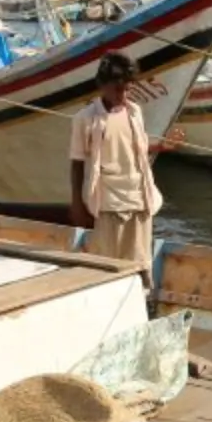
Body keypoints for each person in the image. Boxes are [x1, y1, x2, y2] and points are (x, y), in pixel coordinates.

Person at [67, 52, 162, 267]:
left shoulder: (135, 112)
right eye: (118, 89)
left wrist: (162, 146)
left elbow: (137, 149)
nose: (123, 95)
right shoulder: (85, 119)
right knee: (105, 264)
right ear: (103, 85)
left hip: (140, 200)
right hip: (108, 203)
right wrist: (77, 204)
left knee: (140, 263)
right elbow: (77, 163)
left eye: (128, 90)